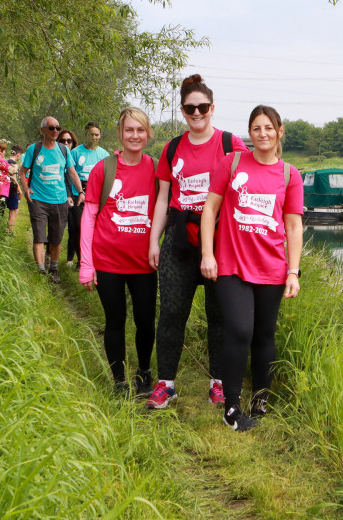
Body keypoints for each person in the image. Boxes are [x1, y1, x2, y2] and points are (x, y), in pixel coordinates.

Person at [145, 74, 248, 410]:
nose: (197, 112)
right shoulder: (172, 148)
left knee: (219, 315)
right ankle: (166, 383)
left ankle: (217, 383)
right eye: (190, 108)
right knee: (172, 312)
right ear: (183, 111)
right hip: (179, 240)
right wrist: (154, 241)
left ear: (212, 108)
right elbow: (162, 199)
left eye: (203, 106)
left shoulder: (231, 145)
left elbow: (254, 183)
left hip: (221, 240)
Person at [201, 105, 303, 432]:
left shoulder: (290, 175)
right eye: (256, 128)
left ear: (279, 131)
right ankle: (231, 407)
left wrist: (293, 271)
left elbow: (293, 226)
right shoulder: (230, 164)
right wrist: (208, 254)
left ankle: (260, 397)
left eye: (268, 128)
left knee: (264, 336)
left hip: (272, 268)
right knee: (240, 331)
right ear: (250, 132)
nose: (262, 134)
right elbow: (209, 209)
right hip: (231, 265)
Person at [79, 108, 158, 397]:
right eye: (129, 130)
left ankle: (144, 372)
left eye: (140, 130)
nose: (134, 135)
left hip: (144, 264)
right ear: (120, 134)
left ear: (148, 133)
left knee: (146, 321)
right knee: (115, 321)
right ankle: (119, 380)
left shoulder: (155, 169)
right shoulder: (104, 169)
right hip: (108, 262)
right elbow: (89, 218)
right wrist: (86, 265)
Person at [21, 117, 84, 283]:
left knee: (56, 239)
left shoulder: (64, 150)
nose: (55, 130)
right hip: (38, 200)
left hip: (59, 200)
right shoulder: (34, 149)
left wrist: (80, 191)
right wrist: (26, 189)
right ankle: (41, 272)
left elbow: (72, 172)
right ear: (43, 130)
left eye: (57, 127)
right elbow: (22, 172)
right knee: (40, 237)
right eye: (51, 128)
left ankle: (53, 270)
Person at [69, 122, 110, 266]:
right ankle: (82, 261)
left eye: (97, 135)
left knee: (96, 229)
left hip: (96, 194)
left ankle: (96, 260)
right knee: (80, 227)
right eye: (91, 134)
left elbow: (108, 177)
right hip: (78, 193)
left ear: (100, 135)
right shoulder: (75, 152)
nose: (94, 137)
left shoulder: (104, 154)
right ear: (86, 134)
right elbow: (69, 173)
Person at [58, 129, 82, 266]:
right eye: (62, 141)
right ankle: (53, 258)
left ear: (73, 143)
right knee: (59, 228)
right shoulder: (56, 156)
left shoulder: (75, 156)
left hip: (74, 195)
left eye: (69, 141)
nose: (66, 143)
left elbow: (75, 176)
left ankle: (77, 260)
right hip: (58, 196)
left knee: (76, 227)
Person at [6, 144, 24, 234]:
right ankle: (10, 232)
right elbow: (14, 179)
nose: (20, 157)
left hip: (6, 188)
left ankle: (6, 230)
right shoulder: (14, 164)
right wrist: (19, 191)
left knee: (10, 210)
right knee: (14, 211)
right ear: (18, 154)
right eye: (21, 155)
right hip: (12, 189)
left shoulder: (6, 161)